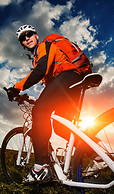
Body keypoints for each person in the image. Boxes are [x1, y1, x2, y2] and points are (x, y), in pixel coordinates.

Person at [6, 25, 88, 183]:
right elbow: (49, 82)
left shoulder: (44, 46)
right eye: (22, 38)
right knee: (61, 127)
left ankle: (40, 167)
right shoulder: (38, 54)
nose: (26, 38)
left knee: (39, 112)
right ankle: (99, 157)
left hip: (68, 76)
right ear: (22, 44)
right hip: (72, 82)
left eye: (29, 34)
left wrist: (16, 88)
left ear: (36, 35)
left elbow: (41, 70)